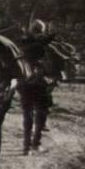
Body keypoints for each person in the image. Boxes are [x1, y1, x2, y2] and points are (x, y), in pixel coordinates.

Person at [20, 19, 58, 153]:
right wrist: (52, 33)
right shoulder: (40, 43)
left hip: (25, 82)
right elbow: (47, 40)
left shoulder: (23, 42)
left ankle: (27, 145)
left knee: (28, 114)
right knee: (40, 113)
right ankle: (35, 143)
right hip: (39, 83)